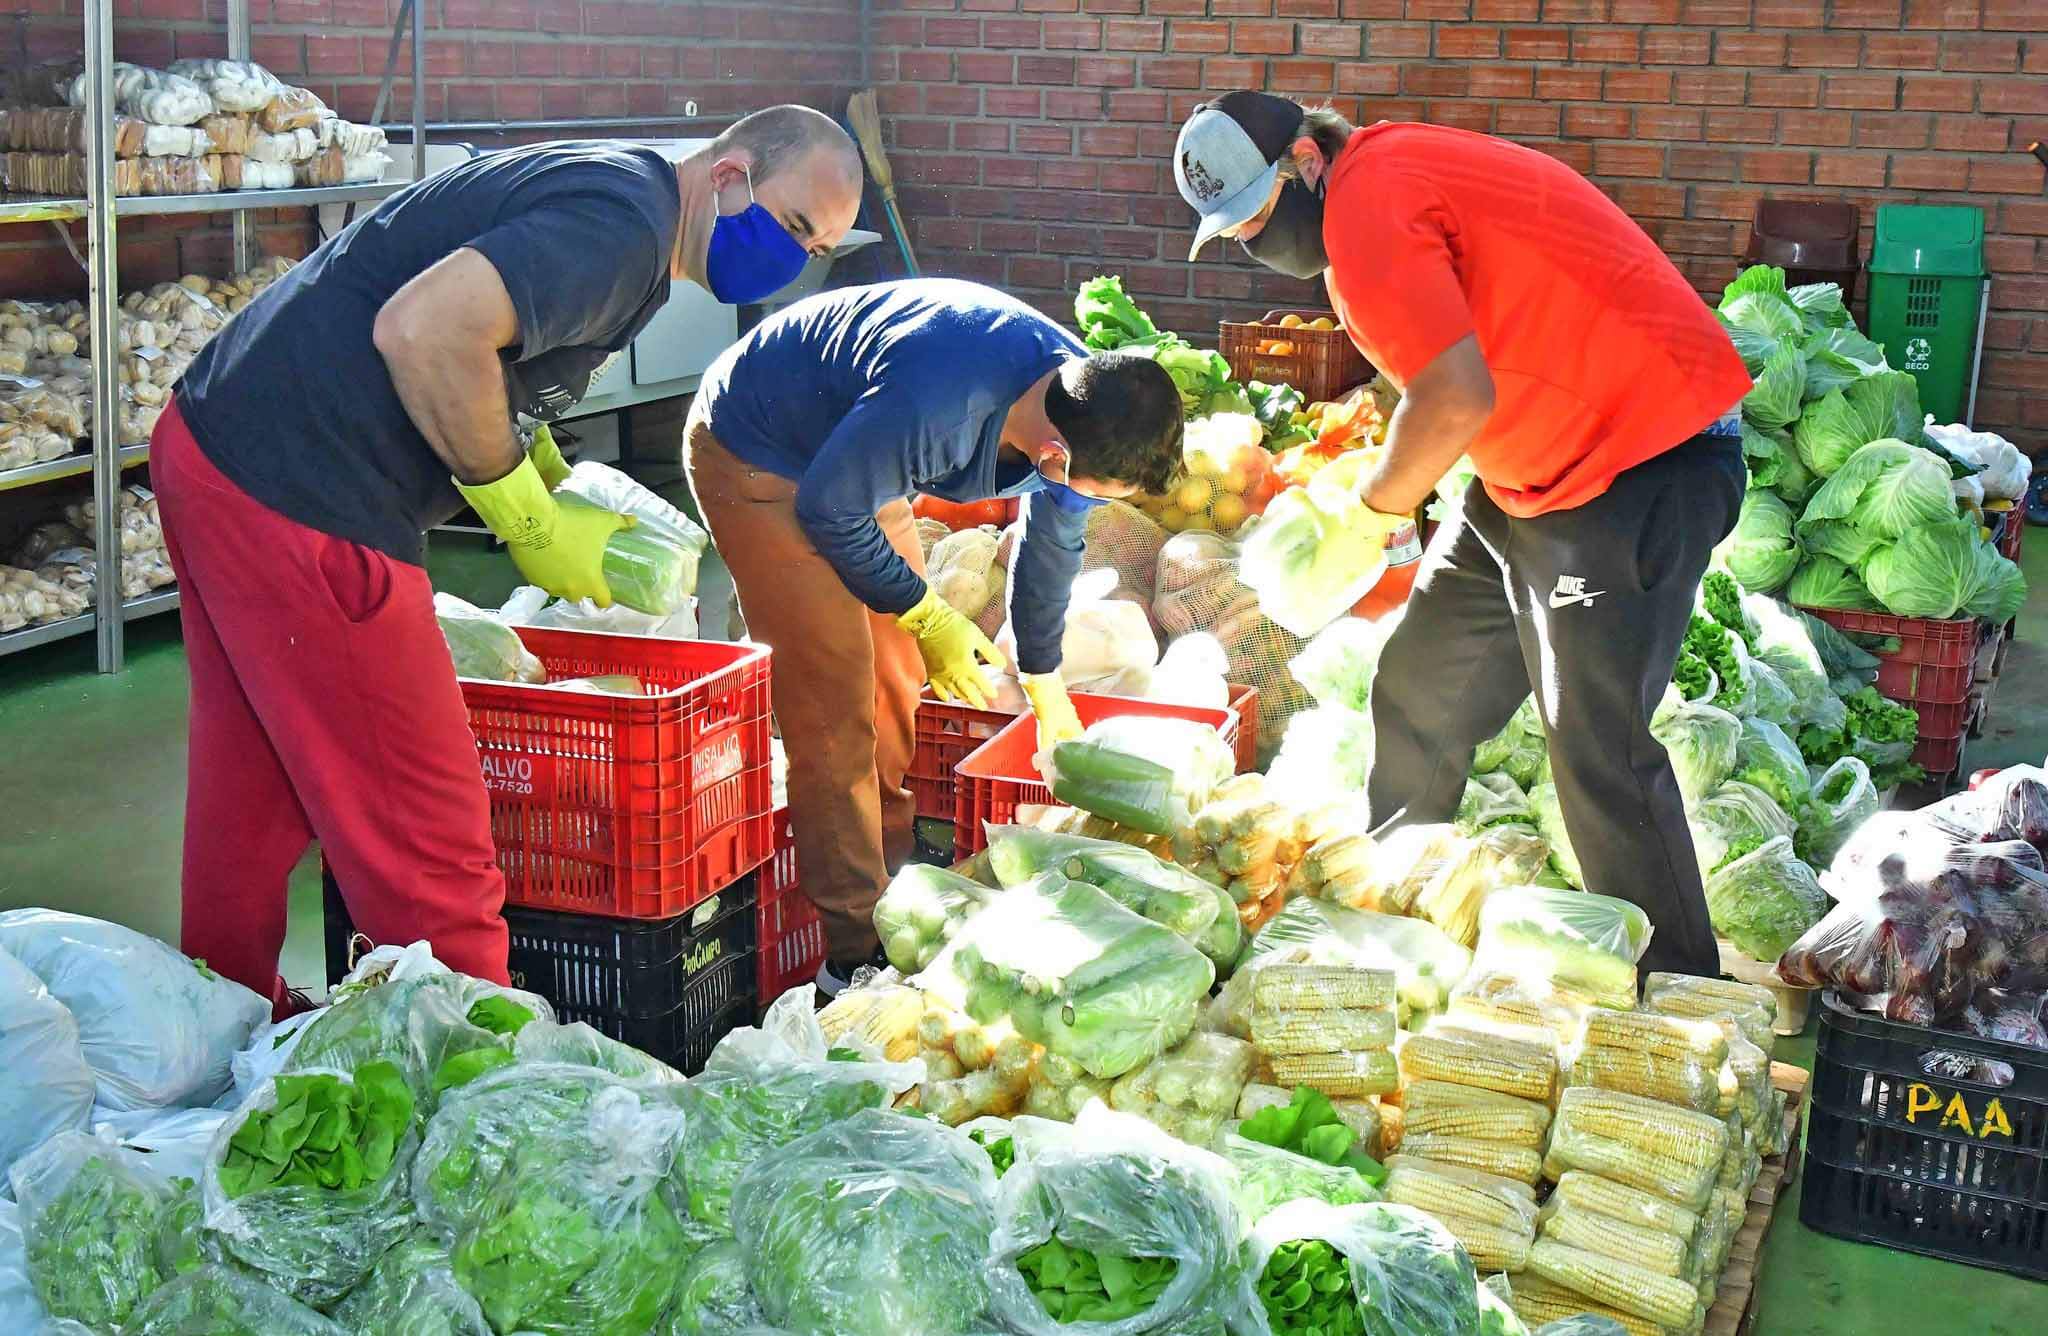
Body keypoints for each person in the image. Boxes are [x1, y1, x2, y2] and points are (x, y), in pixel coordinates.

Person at [151, 107, 863, 1016]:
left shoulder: (630, 195)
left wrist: (548, 468)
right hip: (308, 491)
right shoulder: (623, 233)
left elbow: (502, 353)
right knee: (428, 829)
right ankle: (481, 1089)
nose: (794, 259)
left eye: (819, 249)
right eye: (795, 226)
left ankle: (219, 1012)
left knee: (252, 774)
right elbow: (426, 332)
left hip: (216, 446)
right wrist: (526, 518)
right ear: (729, 177)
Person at [1173, 93, 1753, 976]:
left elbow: (1453, 396)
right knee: (1422, 686)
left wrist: (1367, 516)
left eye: (1259, 210)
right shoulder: (1379, 177)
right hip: (1534, 469)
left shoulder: (1370, 205)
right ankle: (1398, 902)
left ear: (1304, 159)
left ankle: (1678, 1000)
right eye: (1235, 227)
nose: (1256, 237)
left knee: (1596, 751)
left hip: (1634, 461)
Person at [687, 278, 1184, 993]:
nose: (1081, 504)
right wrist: (928, 614)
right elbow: (830, 510)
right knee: (833, 708)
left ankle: (892, 860)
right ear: (1051, 455)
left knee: (895, 679)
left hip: (854, 457)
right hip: (760, 453)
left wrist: (1045, 681)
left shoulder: (1088, 400)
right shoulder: (943, 407)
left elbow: (1050, 548)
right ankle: (854, 950)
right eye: (1087, 491)